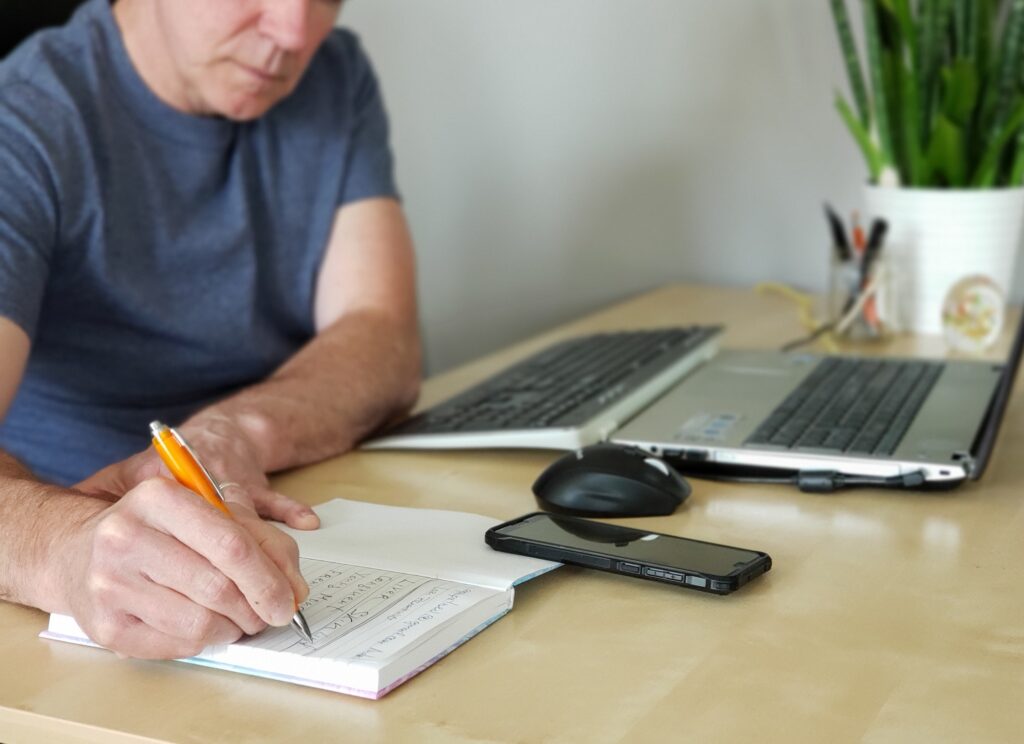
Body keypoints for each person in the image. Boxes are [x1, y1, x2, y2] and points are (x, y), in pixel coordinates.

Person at [0, 0, 421, 660]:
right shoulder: (20, 120)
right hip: (85, 604)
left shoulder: (334, 76)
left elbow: (382, 336)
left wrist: (239, 432)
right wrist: (64, 547)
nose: (295, 33)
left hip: (287, 520)